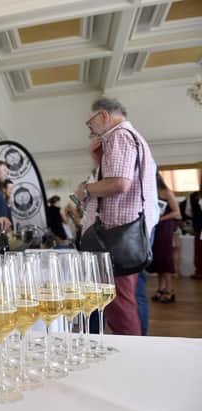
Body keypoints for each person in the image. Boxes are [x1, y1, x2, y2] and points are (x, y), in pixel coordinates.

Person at [75, 97, 158, 336]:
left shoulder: (119, 136)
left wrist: (85, 190)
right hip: (123, 232)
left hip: (116, 234)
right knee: (122, 300)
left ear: (104, 115)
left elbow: (120, 183)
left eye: (89, 122)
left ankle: (132, 359)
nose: (89, 128)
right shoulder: (127, 137)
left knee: (119, 305)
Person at [149, 174, 181, 303]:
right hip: (155, 227)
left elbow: (177, 212)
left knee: (165, 257)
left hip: (165, 227)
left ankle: (169, 290)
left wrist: (160, 219)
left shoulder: (166, 192)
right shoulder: (151, 193)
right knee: (158, 258)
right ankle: (160, 288)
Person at [184, 181, 202, 279]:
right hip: (198, 226)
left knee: (199, 250)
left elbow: (189, 212)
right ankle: (199, 271)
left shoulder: (193, 195)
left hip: (198, 225)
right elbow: (189, 212)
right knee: (199, 249)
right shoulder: (193, 195)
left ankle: (199, 271)